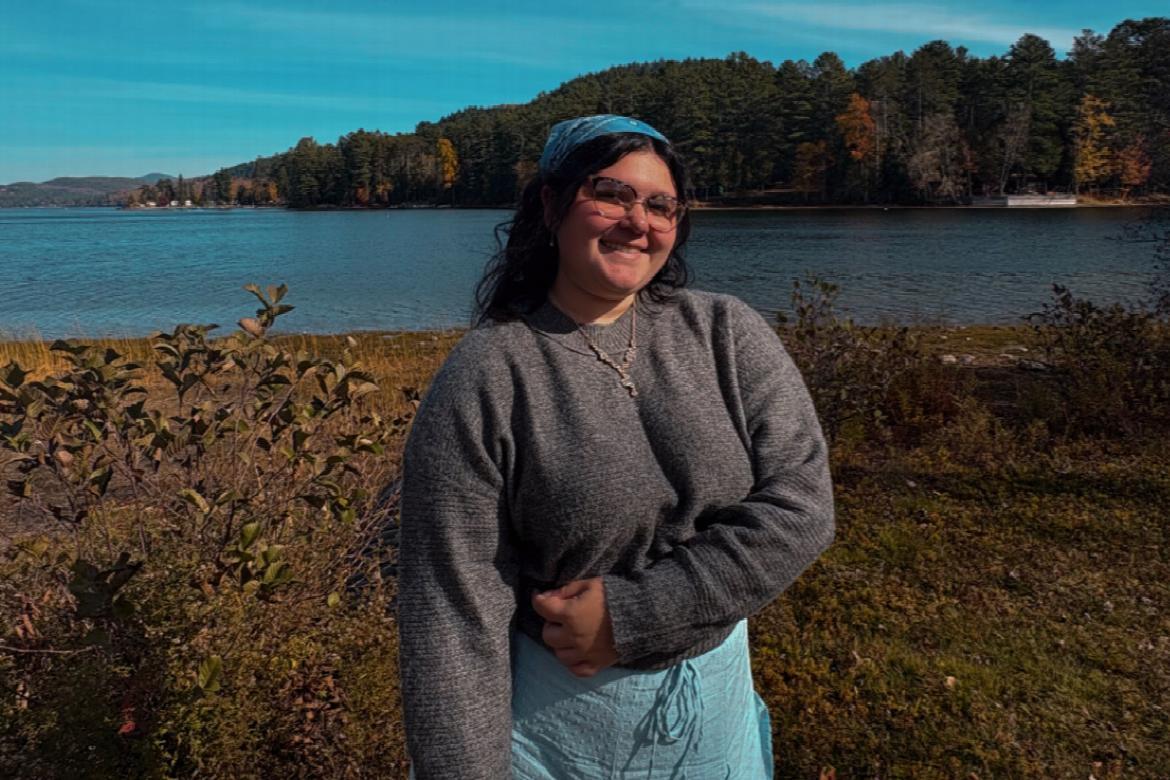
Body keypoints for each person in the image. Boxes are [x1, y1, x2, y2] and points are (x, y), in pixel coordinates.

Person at [397, 115, 834, 779]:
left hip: (719, 713)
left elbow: (803, 507)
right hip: (553, 735)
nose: (638, 222)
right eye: (611, 194)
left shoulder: (726, 331)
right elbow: (452, 618)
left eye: (661, 205)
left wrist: (636, 615)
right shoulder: (487, 374)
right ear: (551, 205)